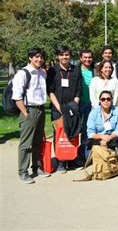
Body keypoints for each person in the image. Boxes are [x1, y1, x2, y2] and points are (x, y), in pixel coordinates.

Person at [12, 48, 50, 183]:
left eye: (41, 57)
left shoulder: (41, 73)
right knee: (26, 143)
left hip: (40, 109)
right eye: (36, 57)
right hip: (29, 110)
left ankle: (37, 167)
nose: (39, 60)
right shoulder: (23, 73)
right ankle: (23, 171)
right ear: (30, 58)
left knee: (37, 141)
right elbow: (17, 96)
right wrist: (25, 113)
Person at [47, 45, 82, 174]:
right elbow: (50, 91)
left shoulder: (76, 70)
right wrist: (60, 108)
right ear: (58, 56)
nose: (64, 57)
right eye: (61, 55)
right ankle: (61, 161)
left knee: (72, 132)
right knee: (60, 134)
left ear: (70, 56)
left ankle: (71, 158)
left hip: (72, 107)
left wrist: (74, 104)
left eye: (66, 55)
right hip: (58, 108)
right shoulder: (53, 70)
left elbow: (78, 89)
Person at [78, 49, 94, 163]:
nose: (87, 59)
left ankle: (84, 155)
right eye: (85, 57)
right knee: (75, 131)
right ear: (80, 58)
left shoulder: (95, 71)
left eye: (89, 57)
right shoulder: (76, 71)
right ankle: (72, 156)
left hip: (91, 105)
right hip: (78, 104)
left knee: (86, 131)